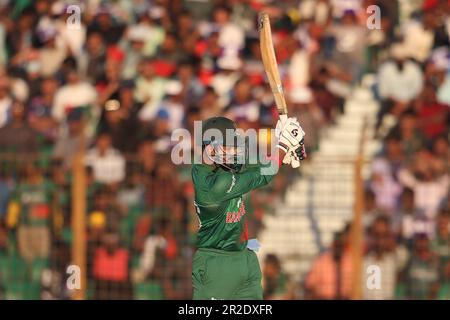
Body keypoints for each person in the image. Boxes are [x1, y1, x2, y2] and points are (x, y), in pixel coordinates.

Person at [191, 116, 306, 300]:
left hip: (243, 257)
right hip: (217, 264)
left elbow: (257, 163)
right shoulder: (216, 185)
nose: (236, 151)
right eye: (229, 146)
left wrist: (280, 145)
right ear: (211, 149)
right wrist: (283, 148)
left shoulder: (218, 166)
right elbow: (263, 174)